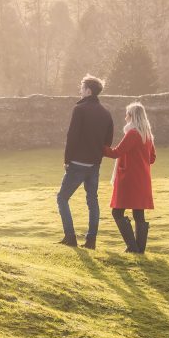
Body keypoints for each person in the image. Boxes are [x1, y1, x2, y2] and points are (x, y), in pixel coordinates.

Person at [57, 75, 114, 249]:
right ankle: (91, 241)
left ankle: (70, 237)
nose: (80, 92)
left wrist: (67, 160)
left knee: (62, 198)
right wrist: (96, 155)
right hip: (94, 165)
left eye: (81, 88)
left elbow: (72, 136)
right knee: (92, 200)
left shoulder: (79, 110)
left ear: (88, 91)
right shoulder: (106, 113)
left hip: (77, 164)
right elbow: (108, 141)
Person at [103, 102, 157, 254]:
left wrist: (99, 147)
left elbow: (116, 152)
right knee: (138, 214)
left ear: (132, 116)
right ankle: (139, 250)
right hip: (143, 179)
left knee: (117, 213)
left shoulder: (132, 134)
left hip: (129, 180)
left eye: (127, 114)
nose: (125, 117)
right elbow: (152, 158)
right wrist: (139, 160)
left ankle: (133, 248)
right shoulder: (147, 135)